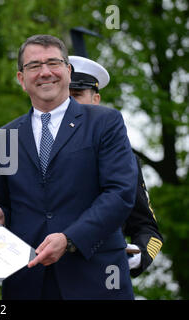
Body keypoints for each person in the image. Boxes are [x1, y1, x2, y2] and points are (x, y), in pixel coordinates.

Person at [0, 34, 138, 299]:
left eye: (53, 63)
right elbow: (7, 205)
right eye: (34, 66)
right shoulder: (4, 137)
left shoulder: (105, 122)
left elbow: (120, 193)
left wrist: (69, 239)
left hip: (96, 281)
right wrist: (1, 216)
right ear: (22, 79)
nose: (45, 72)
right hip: (27, 284)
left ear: (68, 71)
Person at [68, 55, 163, 277]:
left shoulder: (123, 157)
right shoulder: (32, 148)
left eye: (77, 95)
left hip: (101, 278)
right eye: (65, 97)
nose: (71, 103)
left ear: (95, 99)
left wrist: (138, 256)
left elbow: (148, 230)